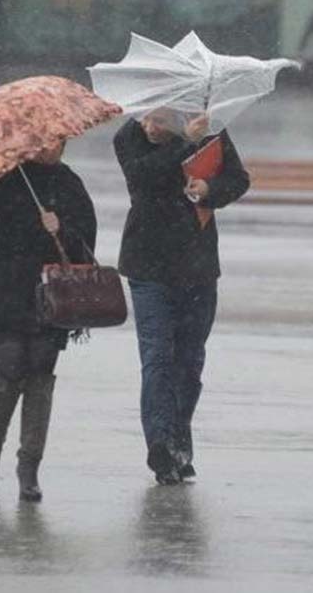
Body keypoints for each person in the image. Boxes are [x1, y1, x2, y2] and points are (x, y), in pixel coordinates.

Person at [113, 109, 249, 485]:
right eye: (147, 120)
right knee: (157, 357)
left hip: (198, 265)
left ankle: (178, 441)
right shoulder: (128, 137)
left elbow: (238, 179)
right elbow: (143, 177)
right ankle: (159, 445)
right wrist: (185, 143)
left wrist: (211, 191)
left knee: (189, 362)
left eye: (159, 121)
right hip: (147, 266)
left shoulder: (210, 132)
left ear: (176, 116)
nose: (150, 127)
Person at [0, 142, 97, 502]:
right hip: (3, 288)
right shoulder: (7, 176)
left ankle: (29, 467)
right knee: (9, 370)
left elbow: (86, 242)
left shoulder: (69, 183)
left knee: (39, 377)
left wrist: (61, 229)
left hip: (50, 295)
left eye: (60, 142)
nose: (52, 148)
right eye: (46, 141)